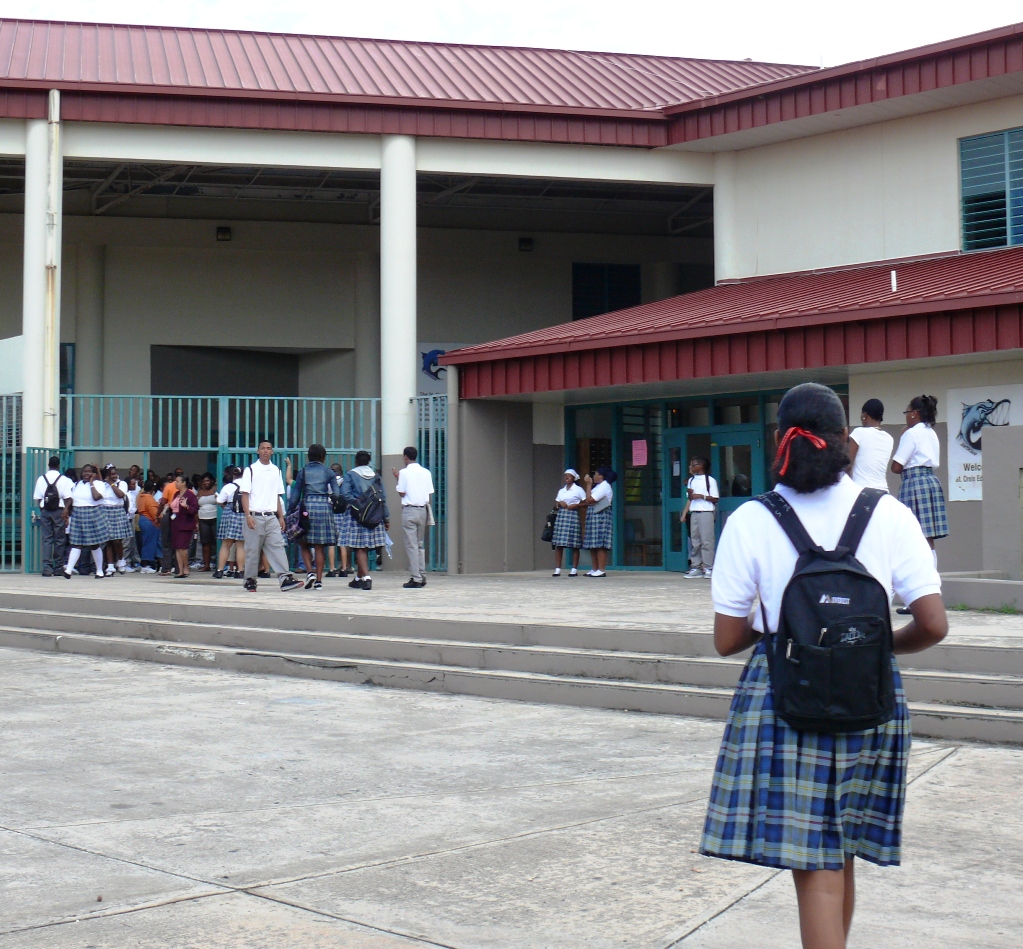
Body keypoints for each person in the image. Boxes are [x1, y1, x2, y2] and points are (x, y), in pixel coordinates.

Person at [701, 382, 947, 949]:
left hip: (786, 695)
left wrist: (794, 628)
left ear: (778, 443)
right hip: (871, 695)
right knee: (840, 854)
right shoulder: (887, 513)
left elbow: (725, 639)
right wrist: (875, 645)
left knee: (816, 869)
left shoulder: (752, 520)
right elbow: (933, 624)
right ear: (845, 441)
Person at [238, 440, 302, 593]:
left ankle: (285, 578)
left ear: (272, 452)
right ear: (258, 451)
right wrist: (248, 516)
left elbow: (276, 496)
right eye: (263, 448)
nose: (266, 451)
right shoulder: (251, 470)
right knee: (253, 550)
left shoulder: (276, 471)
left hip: (271, 516)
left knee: (277, 547)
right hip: (255, 515)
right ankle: (250, 580)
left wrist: (281, 516)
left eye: (269, 448)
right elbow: (245, 495)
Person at [289, 443, 341, 590]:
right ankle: (318, 581)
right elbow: (336, 494)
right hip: (324, 507)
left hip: (307, 507)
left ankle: (309, 572)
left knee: (303, 542)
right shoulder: (329, 472)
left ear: (308, 456)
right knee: (319, 547)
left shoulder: (303, 471)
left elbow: (294, 496)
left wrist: (290, 511)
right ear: (323, 457)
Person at [339, 450, 390, 591]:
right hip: (374, 515)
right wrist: (386, 517)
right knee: (366, 547)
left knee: (360, 548)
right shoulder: (376, 476)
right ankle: (357, 579)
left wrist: (357, 504)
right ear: (369, 461)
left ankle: (366, 578)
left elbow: (345, 493)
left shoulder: (350, 474)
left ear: (356, 461)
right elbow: (382, 497)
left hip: (357, 516)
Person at [392, 445, 435, 589]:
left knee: (411, 545)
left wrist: (397, 478)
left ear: (405, 457)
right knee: (420, 544)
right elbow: (429, 492)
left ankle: (416, 577)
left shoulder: (404, 473)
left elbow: (402, 492)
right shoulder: (426, 472)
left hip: (409, 510)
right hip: (423, 510)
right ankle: (422, 575)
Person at [62, 465, 110, 580]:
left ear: (94, 473)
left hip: (92, 513)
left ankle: (99, 571)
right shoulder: (77, 484)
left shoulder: (100, 484)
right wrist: (66, 509)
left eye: (89, 472)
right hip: (78, 513)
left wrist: (92, 482)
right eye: (84, 472)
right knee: (76, 543)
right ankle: (68, 570)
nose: (86, 474)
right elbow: (72, 498)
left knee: (94, 544)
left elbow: (96, 497)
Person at [32, 455, 73, 577]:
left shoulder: (41, 479)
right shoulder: (63, 479)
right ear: (59, 465)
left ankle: (47, 568)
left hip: (45, 511)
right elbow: (68, 498)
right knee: (59, 539)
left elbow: (38, 499)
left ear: (48, 465)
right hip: (59, 511)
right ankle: (58, 567)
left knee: (47, 539)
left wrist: (43, 509)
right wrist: (66, 511)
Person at [683, 456, 718, 579]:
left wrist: (702, 496)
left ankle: (709, 567)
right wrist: (691, 494)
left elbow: (715, 498)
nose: (691, 467)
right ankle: (696, 566)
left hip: (706, 512)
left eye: (694, 465)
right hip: (695, 513)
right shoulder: (691, 480)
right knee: (695, 541)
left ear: (701, 466)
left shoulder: (710, 480)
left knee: (707, 541)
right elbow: (690, 497)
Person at [848, 399, 894, 491]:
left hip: (862, 490)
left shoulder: (859, 432)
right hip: (883, 491)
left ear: (864, 415)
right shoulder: (889, 438)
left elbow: (847, 464)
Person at [580, 466, 616, 577]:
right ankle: (594, 569)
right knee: (593, 543)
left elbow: (590, 500)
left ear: (601, 476)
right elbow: (587, 500)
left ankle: (601, 569)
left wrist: (589, 485)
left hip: (601, 515)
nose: (594, 476)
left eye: (596, 474)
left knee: (600, 543)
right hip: (593, 514)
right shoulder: (598, 486)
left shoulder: (604, 486)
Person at [551, 468, 585, 577]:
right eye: (565, 475)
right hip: (562, 516)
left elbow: (585, 503)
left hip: (573, 514)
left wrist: (576, 505)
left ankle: (574, 569)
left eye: (569, 476)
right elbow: (555, 506)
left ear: (574, 478)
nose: (566, 477)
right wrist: (559, 504)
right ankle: (557, 568)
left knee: (574, 544)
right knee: (559, 544)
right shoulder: (561, 491)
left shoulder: (578, 490)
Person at [214, 466, 246, 579]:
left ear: (233, 475)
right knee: (240, 545)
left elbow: (219, 501)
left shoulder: (228, 486)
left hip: (229, 512)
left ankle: (219, 570)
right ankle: (240, 571)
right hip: (244, 514)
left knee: (226, 544)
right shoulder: (249, 486)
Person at [100, 464, 131, 575]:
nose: (112, 475)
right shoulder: (103, 484)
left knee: (117, 540)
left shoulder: (121, 483)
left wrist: (111, 484)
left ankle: (121, 560)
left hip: (117, 511)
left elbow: (120, 495)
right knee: (108, 540)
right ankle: (110, 565)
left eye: (114, 473)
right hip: (105, 511)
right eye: (110, 474)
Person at [168, 474, 198, 578]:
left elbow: (195, 509)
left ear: (184, 483)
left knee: (183, 547)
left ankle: (186, 567)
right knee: (177, 547)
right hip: (176, 523)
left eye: (177, 481)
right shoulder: (176, 494)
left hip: (185, 524)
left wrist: (187, 507)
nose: (175, 483)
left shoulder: (190, 495)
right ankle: (180, 570)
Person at [327, 462, 350, 578]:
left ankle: (332, 569)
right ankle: (344, 569)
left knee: (332, 542)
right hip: (343, 513)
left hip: (331, 512)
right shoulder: (345, 481)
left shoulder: (330, 482)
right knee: (342, 542)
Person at [135, 480, 162, 573]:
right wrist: (158, 519)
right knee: (149, 543)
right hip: (149, 521)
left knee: (146, 542)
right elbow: (154, 512)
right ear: (152, 489)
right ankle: (145, 565)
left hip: (142, 519)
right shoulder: (149, 498)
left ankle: (145, 564)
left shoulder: (140, 497)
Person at [195, 473, 219, 572]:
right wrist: (196, 522)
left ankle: (220, 564)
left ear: (212, 481)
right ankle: (206, 565)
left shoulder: (216, 490)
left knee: (217, 542)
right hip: (203, 519)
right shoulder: (200, 492)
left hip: (215, 518)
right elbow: (196, 507)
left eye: (207, 481)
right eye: (204, 481)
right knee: (205, 543)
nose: (205, 483)